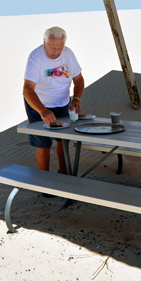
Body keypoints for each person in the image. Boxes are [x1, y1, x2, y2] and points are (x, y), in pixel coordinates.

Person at [23, 26, 84, 175]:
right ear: (44, 41)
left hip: (63, 103)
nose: (55, 52)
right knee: (43, 145)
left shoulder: (68, 54)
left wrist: (76, 98)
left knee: (63, 142)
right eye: (52, 47)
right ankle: (45, 183)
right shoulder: (35, 57)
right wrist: (42, 110)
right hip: (39, 105)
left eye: (59, 48)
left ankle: (64, 177)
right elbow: (27, 90)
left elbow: (79, 79)